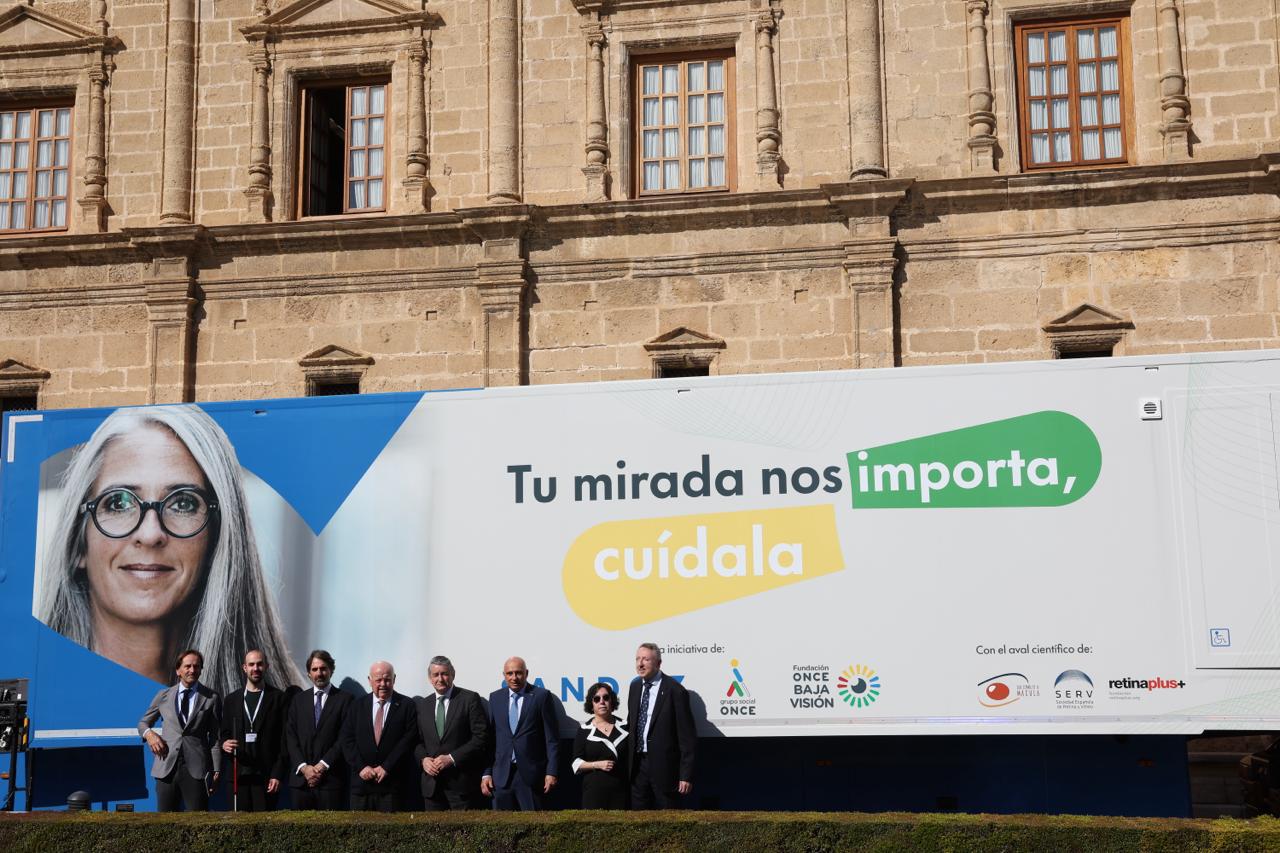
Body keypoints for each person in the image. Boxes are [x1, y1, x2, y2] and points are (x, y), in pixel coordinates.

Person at [35, 404, 300, 696]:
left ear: (217, 540)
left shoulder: (286, 712)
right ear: (78, 544)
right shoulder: (41, 694)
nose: (150, 535)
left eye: (183, 503)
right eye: (119, 502)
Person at [137, 648, 222, 811]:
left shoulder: (211, 698)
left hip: (197, 769)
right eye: (188, 666)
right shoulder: (163, 696)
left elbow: (215, 738)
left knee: (198, 822)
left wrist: (217, 769)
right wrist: (150, 735)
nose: (192, 670)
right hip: (166, 767)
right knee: (166, 822)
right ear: (178, 670)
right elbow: (143, 723)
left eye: (196, 667)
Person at [481, 656, 560, 811]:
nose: (514, 677)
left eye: (518, 673)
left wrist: (551, 772)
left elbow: (552, 739)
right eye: (509, 673)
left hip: (531, 776)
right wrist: (486, 773)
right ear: (504, 675)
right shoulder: (495, 698)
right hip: (501, 776)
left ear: (526, 673)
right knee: (502, 827)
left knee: (534, 826)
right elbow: (490, 740)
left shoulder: (541, 696)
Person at [342, 660, 419, 812]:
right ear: (370, 681)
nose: (383, 684)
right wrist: (361, 767)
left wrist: (386, 767)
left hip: (392, 786)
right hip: (361, 786)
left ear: (394, 679)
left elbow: (408, 740)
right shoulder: (357, 706)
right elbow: (346, 739)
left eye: (387, 679)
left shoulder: (406, 705)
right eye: (378, 680)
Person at [220, 649, 291, 811]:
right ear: (244, 668)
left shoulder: (279, 698)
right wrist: (224, 744)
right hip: (238, 776)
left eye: (259, 664)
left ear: (267, 666)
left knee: (265, 827)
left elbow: (284, 742)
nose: (255, 668)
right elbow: (224, 734)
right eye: (251, 664)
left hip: (266, 777)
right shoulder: (231, 700)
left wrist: (277, 774)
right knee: (239, 828)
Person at [414, 655, 488, 810]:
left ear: (452, 675)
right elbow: (417, 741)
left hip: (461, 786)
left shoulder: (469, 699)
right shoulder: (423, 704)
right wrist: (423, 760)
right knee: (433, 833)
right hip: (432, 787)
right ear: (430, 678)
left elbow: (481, 738)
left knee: (463, 834)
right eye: (435, 675)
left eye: (444, 674)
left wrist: (452, 758)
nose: (440, 679)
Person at [628, 642, 696, 809]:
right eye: (637, 659)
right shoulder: (635, 686)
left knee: (668, 818)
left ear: (658, 663)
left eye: (646, 659)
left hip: (665, 769)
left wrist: (685, 775)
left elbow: (687, 737)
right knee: (638, 819)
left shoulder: (675, 691)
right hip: (638, 766)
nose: (640, 664)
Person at [285, 649, 353, 810]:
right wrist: (304, 768)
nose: (319, 673)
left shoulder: (345, 700)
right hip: (301, 783)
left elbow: (344, 738)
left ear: (331, 670)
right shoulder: (298, 700)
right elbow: (290, 736)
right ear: (309, 674)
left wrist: (322, 766)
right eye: (315, 669)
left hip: (331, 782)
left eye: (323, 668)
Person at [571, 681, 630, 809]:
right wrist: (597, 764)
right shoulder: (584, 729)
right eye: (597, 699)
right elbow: (576, 763)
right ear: (591, 705)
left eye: (606, 698)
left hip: (621, 791)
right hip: (594, 793)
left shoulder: (626, 726)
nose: (602, 702)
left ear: (612, 701)